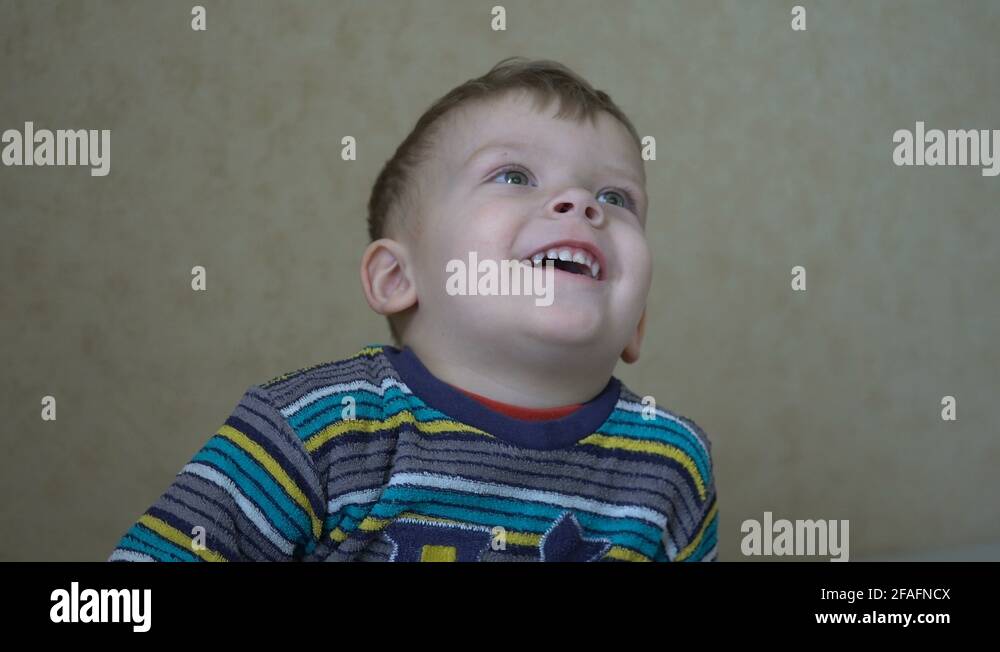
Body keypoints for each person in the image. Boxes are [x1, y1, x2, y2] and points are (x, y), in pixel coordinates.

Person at [108, 56, 718, 562]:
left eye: (615, 197)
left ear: (637, 321)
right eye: (513, 175)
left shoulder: (670, 462)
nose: (580, 204)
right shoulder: (315, 429)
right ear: (399, 277)